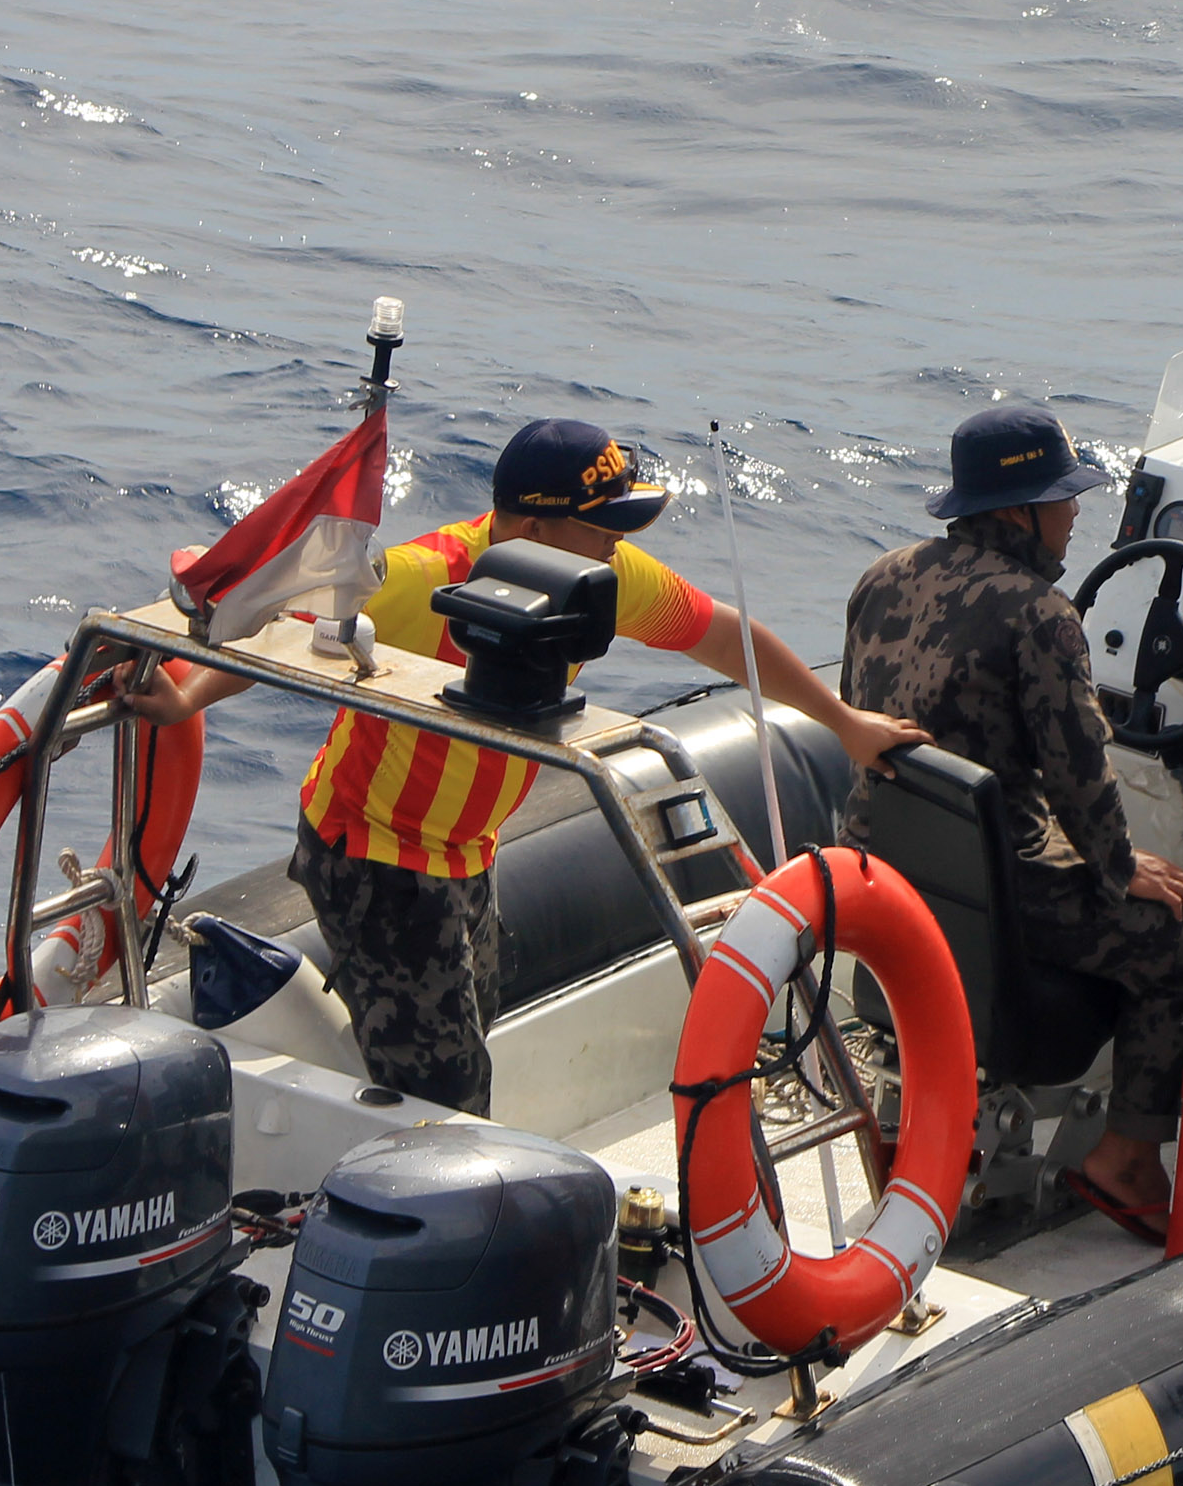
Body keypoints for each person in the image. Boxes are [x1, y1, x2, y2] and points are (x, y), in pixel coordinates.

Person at [124, 418, 926, 1116]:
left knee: (476, 1028)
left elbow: (719, 635)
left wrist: (844, 723)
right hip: (372, 853)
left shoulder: (603, 583)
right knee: (451, 1093)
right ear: (532, 532)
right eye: (601, 527)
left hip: (472, 854)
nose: (620, 545)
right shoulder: (424, 577)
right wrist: (189, 698)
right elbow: (287, 618)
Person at [841, 402, 1183, 1233]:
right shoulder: (1041, 617)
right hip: (1001, 893)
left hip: (892, 878)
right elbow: (1080, 776)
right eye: (1063, 498)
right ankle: (1125, 1160)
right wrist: (1123, 872)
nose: (1077, 512)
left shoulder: (882, 575)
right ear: (1019, 512)